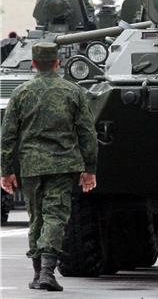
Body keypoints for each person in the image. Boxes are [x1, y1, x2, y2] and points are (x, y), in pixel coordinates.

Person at [1, 42, 98, 291]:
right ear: (58, 63)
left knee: (36, 218)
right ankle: (46, 272)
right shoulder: (73, 92)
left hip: (31, 165)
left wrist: (6, 170)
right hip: (63, 165)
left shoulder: (21, 93)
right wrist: (90, 169)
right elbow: (87, 133)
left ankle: (37, 273)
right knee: (55, 216)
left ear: (33, 64)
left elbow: (8, 135)